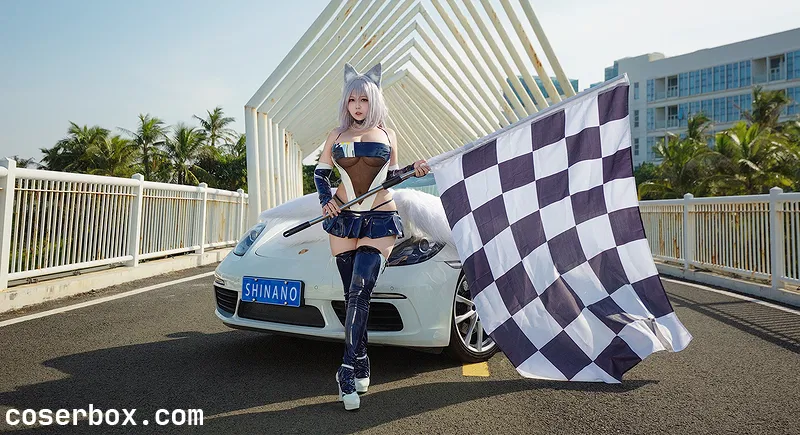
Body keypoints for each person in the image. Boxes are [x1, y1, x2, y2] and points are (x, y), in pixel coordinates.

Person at [314, 62, 430, 411]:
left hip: (380, 217)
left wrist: (413, 170)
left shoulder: (389, 134)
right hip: (343, 219)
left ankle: (346, 369)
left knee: (361, 290)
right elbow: (321, 173)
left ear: (374, 100)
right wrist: (325, 201)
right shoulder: (335, 136)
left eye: (364, 99)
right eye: (352, 100)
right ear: (346, 102)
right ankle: (362, 358)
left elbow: (391, 176)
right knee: (352, 296)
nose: (357, 106)